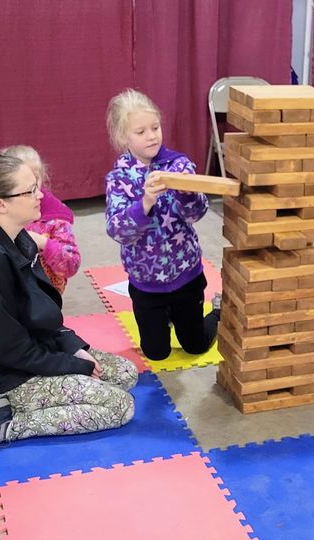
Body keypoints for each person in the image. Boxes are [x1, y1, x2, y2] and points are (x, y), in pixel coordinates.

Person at [0, 151, 138, 457]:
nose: (41, 195)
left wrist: (72, 346)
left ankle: (30, 403)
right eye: (30, 190)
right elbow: (7, 349)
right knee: (119, 406)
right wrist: (74, 365)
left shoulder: (20, 238)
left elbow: (40, 314)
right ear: (0, 204)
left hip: (28, 354)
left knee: (125, 373)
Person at [104, 89, 220, 361]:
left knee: (196, 345)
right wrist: (144, 203)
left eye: (155, 127)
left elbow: (197, 214)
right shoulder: (119, 177)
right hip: (146, 282)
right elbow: (117, 230)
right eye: (141, 131)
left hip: (186, 275)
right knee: (156, 354)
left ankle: (217, 312)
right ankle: (163, 318)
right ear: (124, 138)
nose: (152, 136)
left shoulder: (179, 164)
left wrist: (186, 191)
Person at [0, 145, 82, 294]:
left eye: (35, 178)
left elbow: (72, 264)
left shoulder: (55, 219)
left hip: (45, 296)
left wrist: (43, 243)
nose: (30, 185)